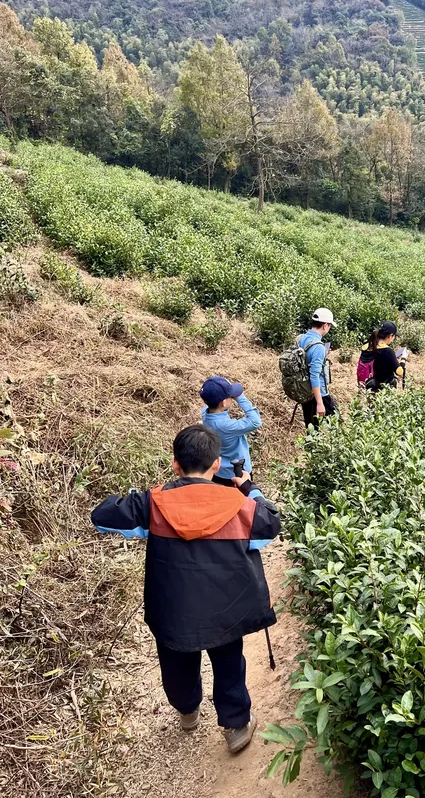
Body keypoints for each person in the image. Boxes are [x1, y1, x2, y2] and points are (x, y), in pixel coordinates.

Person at [91, 424, 281, 752]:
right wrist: (249, 487)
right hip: (226, 612)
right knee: (229, 665)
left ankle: (187, 710)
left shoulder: (154, 503)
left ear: (175, 464)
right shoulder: (239, 504)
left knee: (177, 666)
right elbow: (271, 522)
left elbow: (102, 516)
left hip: (172, 612)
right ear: (217, 464)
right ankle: (236, 726)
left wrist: (147, 493)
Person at [200, 376, 262, 486]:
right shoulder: (225, 426)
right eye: (231, 396)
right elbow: (255, 422)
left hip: (218, 471)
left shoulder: (205, 413)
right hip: (237, 473)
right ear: (223, 402)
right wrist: (240, 398)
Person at [298, 308, 337, 427]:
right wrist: (320, 403)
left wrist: (323, 355)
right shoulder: (318, 347)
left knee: (311, 428)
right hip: (318, 393)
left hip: (305, 391)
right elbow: (314, 374)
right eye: (329, 326)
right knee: (336, 425)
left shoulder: (302, 338)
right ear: (325, 325)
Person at [357, 321, 407, 391]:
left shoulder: (367, 346)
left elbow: (379, 360)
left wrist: (393, 358)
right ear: (390, 336)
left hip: (368, 387)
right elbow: (400, 372)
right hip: (382, 391)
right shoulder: (388, 352)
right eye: (394, 336)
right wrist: (403, 359)